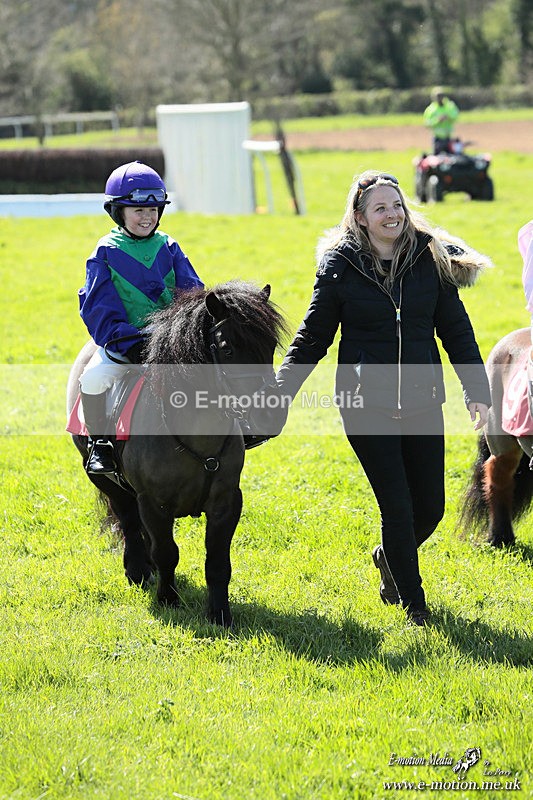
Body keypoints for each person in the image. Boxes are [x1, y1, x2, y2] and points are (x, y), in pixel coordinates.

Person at [270, 171, 491, 626]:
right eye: (380, 208)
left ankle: (389, 557)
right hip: (364, 403)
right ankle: (415, 606)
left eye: (397, 205)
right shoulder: (340, 266)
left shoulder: (428, 258)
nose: (392, 214)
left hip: (423, 398)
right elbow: (313, 336)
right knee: (397, 506)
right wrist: (281, 390)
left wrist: (477, 390)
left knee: (430, 508)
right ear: (360, 217)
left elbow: (456, 330)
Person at [78, 160, 203, 475]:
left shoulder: (169, 247)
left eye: (153, 210)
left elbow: (192, 293)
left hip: (171, 343)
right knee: (92, 379)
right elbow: (99, 308)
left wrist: (182, 333)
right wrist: (128, 343)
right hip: (125, 344)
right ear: (118, 212)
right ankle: (100, 444)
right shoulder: (104, 252)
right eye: (138, 210)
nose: (147, 217)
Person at [423, 87, 459, 154]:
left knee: (451, 157)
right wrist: (437, 120)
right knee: (437, 157)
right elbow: (427, 123)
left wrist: (448, 117)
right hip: (437, 138)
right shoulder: (431, 109)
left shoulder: (449, 106)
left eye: (441, 96)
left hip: (448, 137)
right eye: (438, 97)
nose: (440, 98)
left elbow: (455, 116)